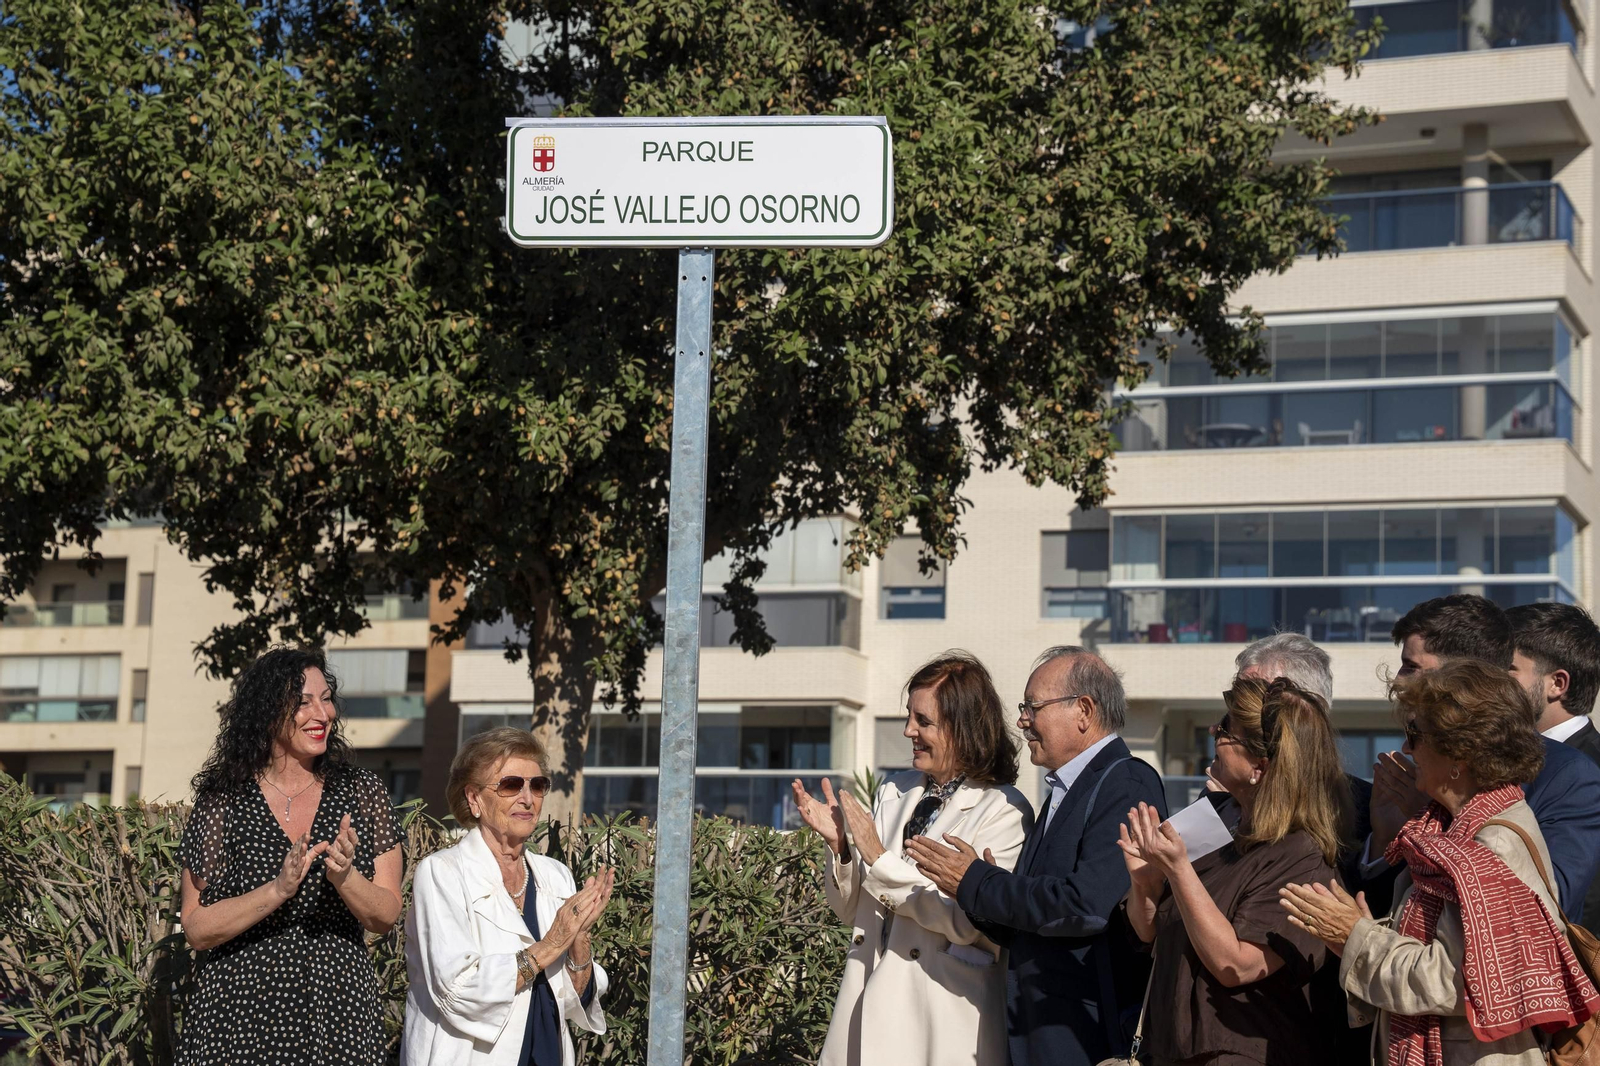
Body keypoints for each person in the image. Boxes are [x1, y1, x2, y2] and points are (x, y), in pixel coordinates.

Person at [1282, 661, 1600, 1066]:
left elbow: (1459, 979)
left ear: (1459, 755)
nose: (1408, 748)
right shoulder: (1449, 830)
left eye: (1416, 734)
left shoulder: (1491, 843)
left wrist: (1356, 939)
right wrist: (1363, 933)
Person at [907, 646, 1167, 1066]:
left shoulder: (1126, 781)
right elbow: (1034, 922)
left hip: (1085, 1038)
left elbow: (1085, 905)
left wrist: (978, 881)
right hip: (1039, 1035)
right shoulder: (1066, 789)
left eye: (1033, 706)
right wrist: (973, 891)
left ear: (1083, 710)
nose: (1023, 720)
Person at [793, 652, 1032, 1066]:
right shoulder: (894, 789)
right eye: (909, 716)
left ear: (964, 728)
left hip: (941, 1021)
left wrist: (879, 857)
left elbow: (968, 921)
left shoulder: (1005, 810)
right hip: (864, 1004)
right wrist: (843, 849)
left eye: (923, 721)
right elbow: (853, 911)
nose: (908, 731)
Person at [177, 647, 403, 1065]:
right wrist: (278, 889)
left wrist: (345, 877)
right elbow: (197, 927)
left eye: (326, 697)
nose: (323, 713)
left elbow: (385, 914)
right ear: (266, 711)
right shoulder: (222, 799)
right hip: (238, 1013)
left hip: (338, 1011)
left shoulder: (361, 791)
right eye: (303, 702)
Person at [1118, 677, 1352, 1066]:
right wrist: (1146, 883)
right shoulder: (1217, 822)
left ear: (1260, 766)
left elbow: (1237, 965)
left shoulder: (1303, 857)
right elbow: (1150, 934)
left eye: (1226, 729)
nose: (1214, 732)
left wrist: (1178, 870)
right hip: (1171, 1049)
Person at [1364, 594, 1600, 921]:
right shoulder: (1427, 761)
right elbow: (1391, 908)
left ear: (1463, 676)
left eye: (1412, 667)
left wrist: (1439, 816)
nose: (1399, 681)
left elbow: (1543, 910)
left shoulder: (1569, 774)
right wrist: (1385, 840)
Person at [403, 728, 614, 1066]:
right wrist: (554, 941)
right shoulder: (442, 873)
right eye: (511, 785)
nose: (527, 798)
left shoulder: (555, 874)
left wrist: (580, 939)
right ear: (473, 799)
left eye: (538, 785)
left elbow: (573, 998)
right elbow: (458, 989)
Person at [1508, 602, 1600, 925]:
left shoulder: (1590, 773)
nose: (1492, 683)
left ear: (1557, 684)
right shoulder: (1504, 759)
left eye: (1509, 669)